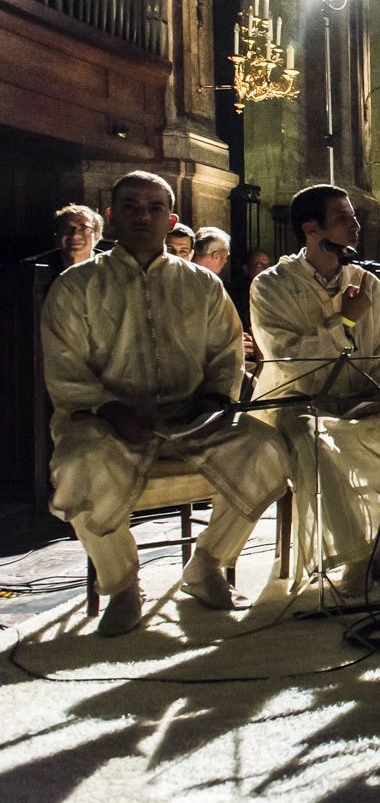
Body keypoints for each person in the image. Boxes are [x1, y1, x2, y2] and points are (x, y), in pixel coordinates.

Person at [42, 171, 289, 636]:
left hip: (191, 420)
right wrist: (113, 412)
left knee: (268, 450)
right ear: (112, 216)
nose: (143, 215)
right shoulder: (77, 285)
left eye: (155, 208)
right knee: (76, 461)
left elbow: (225, 357)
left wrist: (215, 404)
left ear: (171, 218)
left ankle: (207, 565)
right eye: (131, 207)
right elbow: (64, 368)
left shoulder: (202, 284)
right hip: (105, 424)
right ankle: (122, 585)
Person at [250, 184, 380, 593]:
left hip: (361, 402)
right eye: (343, 218)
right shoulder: (270, 285)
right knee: (320, 445)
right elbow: (288, 359)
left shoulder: (369, 283)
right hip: (298, 406)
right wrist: (342, 321)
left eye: (354, 217)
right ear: (311, 228)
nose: (356, 226)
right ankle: (355, 558)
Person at [26, 204, 105, 279]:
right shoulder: (33, 267)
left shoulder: (110, 267)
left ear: (97, 236)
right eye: (67, 228)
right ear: (57, 234)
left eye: (84, 228)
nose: (75, 235)